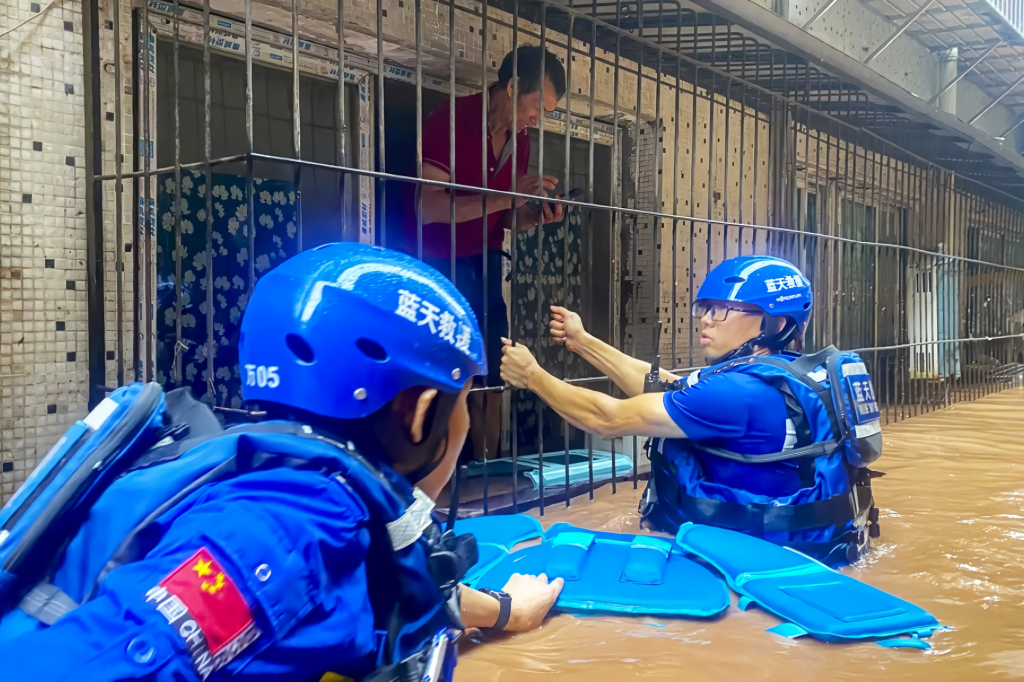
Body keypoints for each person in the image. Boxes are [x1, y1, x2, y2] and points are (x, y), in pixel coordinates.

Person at [0, 243, 562, 681]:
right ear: (419, 415)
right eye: (462, 404)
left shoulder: (310, 496)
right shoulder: (295, 522)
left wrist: (510, 609)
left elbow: (381, 588)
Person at [500, 255, 883, 566]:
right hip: (813, 551)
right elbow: (666, 386)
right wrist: (584, 343)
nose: (706, 318)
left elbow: (608, 419)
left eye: (724, 310)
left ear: (775, 323)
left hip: (751, 564)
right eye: (706, 307)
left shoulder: (738, 392)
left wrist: (533, 376)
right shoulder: (784, 375)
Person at [401, 46, 569, 464]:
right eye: (537, 106)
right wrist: (506, 197)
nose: (538, 118)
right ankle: (441, 476)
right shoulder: (451, 118)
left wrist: (536, 216)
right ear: (512, 88)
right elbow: (430, 208)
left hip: (488, 263)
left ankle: (489, 472)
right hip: (439, 264)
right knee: (450, 377)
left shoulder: (521, 141)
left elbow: (505, 217)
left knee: (493, 374)